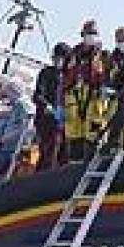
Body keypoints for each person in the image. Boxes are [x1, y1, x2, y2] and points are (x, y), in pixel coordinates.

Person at [62, 20, 110, 163]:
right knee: (74, 134)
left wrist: (106, 89)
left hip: (95, 99)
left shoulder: (104, 56)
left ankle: (92, 162)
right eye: (89, 33)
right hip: (74, 100)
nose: (91, 36)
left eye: (94, 33)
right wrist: (59, 103)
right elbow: (63, 79)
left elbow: (110, 77)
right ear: (82, 34)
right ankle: (74, 165)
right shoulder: (72, 55)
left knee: (93, 133)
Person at [33, 42, 70, 171]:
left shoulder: (69, 75)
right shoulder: (46, 73)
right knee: (49, 151)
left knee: (65, 152)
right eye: (56, 58)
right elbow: (38, 95)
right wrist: (47, 106)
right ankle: (42, 176)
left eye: (61, 58)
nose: (58, 61)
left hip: (66, 121)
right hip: (47, 120)